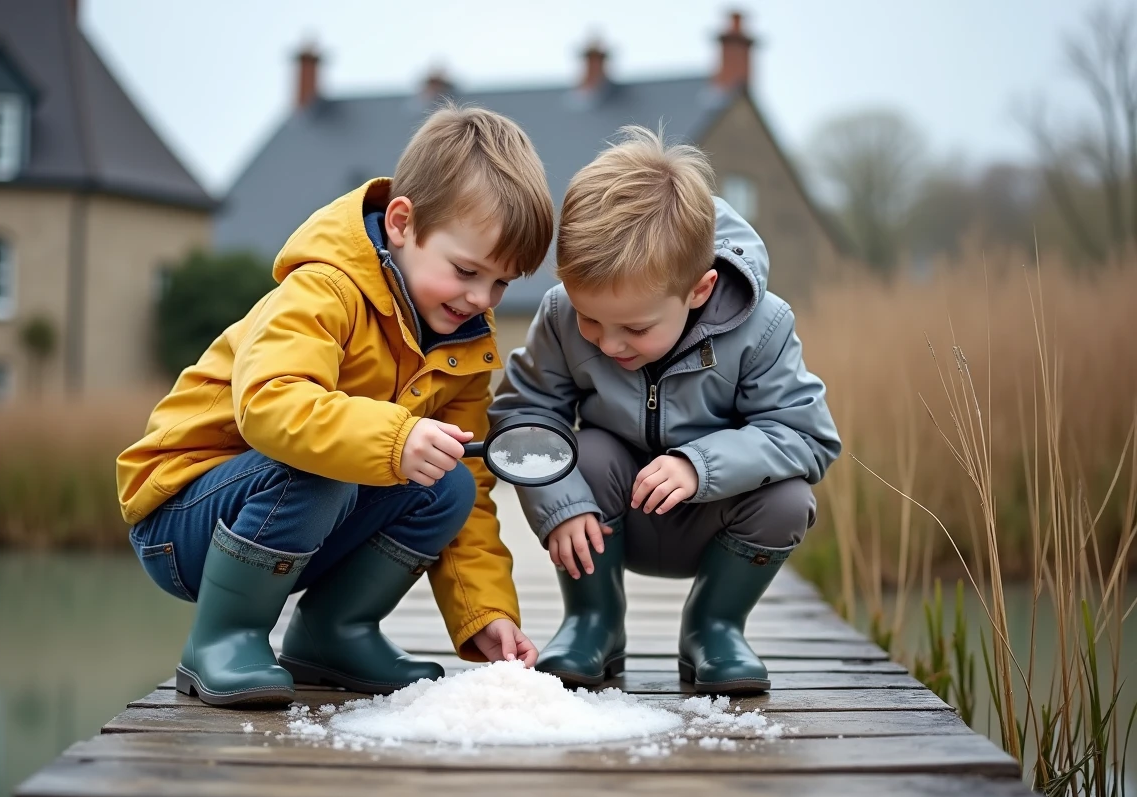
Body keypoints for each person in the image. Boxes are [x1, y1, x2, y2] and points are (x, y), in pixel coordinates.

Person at [117, 104, 554, 706]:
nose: (481, 298)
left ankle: (333, 631)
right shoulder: (324, 288)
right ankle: (222, 638)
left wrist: (485, 611)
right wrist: (395, 438)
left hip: (303, 514)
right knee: (324, 461)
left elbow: (474, 491)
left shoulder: (463, 343)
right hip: (184, 516)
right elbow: (270, 404)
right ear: (402, 223)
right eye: (465, 271)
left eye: (501, 283)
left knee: (451, 479)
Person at [489, 125, 842, 693]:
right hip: (606, 519)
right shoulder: (559, 315)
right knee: (588, 451)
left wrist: (699, 465)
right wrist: (561, 505)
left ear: (699, 290)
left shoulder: (764, 325)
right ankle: (594, 622)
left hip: (713, 519)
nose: (609, 343)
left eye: (635, 328)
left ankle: (713, 628)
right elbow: (523, 416)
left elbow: (805, 435)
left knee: (787, 499)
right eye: (590, 319)